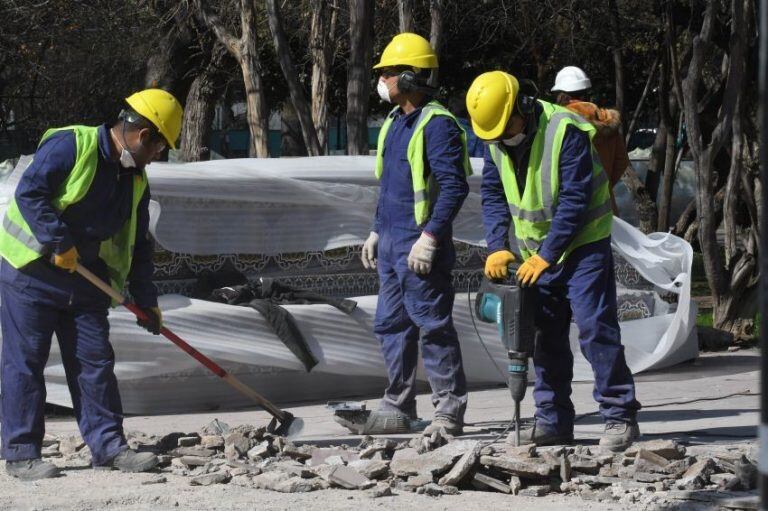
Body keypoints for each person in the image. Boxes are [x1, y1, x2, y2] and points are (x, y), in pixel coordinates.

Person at [0, 89, 183, 480]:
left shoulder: (135, 180)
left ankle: (109, 447)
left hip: (86, 280)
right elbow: (30, 193)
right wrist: (58, 242)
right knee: (26, 362)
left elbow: (138, 243)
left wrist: (147, 300)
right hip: (31, 273)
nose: (159, 156)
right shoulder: (72, 145)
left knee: (94, 363)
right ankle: (20, 452)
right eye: (160, 147)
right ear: (142, 135)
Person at [466, 71, 641, 451]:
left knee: (596, 328)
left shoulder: (566, 131)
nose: (501, 137)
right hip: (535, 253)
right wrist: (498, 244)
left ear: (523, 106)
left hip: (583, 244)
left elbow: (575, 200)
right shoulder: (494, 139)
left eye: (505, 126)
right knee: (545, 336)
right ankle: (553, 419)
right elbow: (494, 195)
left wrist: (547, 255)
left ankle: (619, 415)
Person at [357, 33, 471, 436]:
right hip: (391, 241)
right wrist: (375, 230)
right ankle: (398, 404)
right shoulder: (394, 122)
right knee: (391, 325)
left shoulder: (437, 124)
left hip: (419, 244)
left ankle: (448, 412)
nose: (382, 81)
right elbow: (389, 185)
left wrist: (432, 237)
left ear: (408, 77)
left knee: (433, 326)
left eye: (386, 73)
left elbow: (454, 187)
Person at [551, 66, 630, 215]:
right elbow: (622, 162)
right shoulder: (607, 122)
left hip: (569, 209)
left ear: (560, 94)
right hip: (605, 207)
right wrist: (603, 186)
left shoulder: (560, 123)